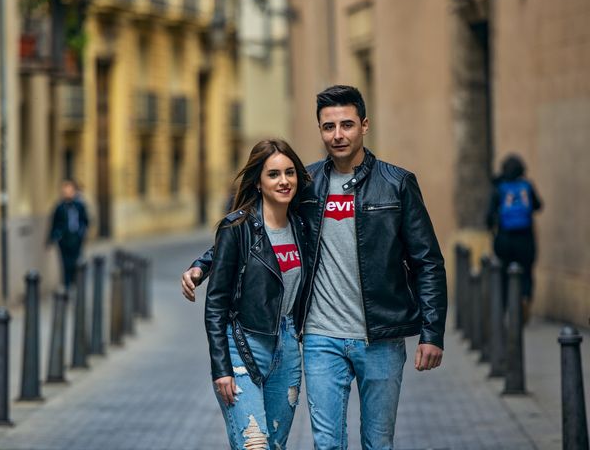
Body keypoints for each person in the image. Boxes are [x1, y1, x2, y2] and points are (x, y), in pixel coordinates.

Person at [183, 85, 447, 450]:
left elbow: (427, 261)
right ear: (320, 130)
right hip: (321, 339)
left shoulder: (396, 185)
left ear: (364, 126)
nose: (337, 135)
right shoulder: (306, 185)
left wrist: (433, 333)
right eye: (328, 127)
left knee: (378, 443)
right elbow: (254, 230)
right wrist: (203, 264)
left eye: (347, 125)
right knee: (327, 444)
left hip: (382, 337)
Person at [204, 139, 311, 449]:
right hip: (242, 345)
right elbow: (215, 305)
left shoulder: (303, 226)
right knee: (255, 445)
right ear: (259, 182)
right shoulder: (236, 228)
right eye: (274, 174)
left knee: (275, 445)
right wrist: (221, 368)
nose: (284, 181)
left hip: (288, 346)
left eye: (289, 173)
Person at [486, 154, 542, 322]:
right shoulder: (527, 186)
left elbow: (489, 216)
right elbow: (538, 206)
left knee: (503, 273)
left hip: (504, 239)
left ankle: (504, 308)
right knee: (526, 271)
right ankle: (525, 296)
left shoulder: (499, 188)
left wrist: (493, 230)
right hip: (525, 238)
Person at [47, 179, 89, 292]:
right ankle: (66, 286)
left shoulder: (79, 206)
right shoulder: (59, 207)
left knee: (75, 262)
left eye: (70, 190)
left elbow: (85, 220)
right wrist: (52, 237)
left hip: (76, 238)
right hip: (64, 239)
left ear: (74, 191)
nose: (67, 192)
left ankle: (75, 284)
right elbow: (54, 223)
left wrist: (81, 232)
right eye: (65, 190)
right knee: (65, 263)